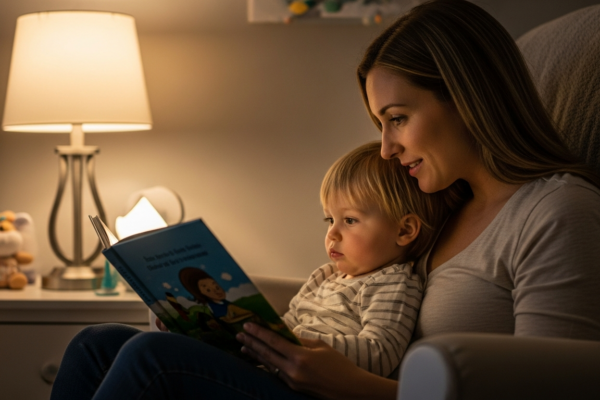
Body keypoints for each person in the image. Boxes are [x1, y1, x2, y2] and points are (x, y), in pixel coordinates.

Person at [50, 1, 600, 399]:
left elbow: (555, 384)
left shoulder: (555, 212)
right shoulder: (442, 207)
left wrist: (356, 386)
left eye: (398, 119)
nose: (386, 149)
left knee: (153, 362)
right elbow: (361, 291)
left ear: (466, 99)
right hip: (332, 383)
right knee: (96, 342)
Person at [281, 141, 459, 378]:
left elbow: (380, 354)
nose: (332, 233)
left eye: (350, 220)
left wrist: (303, 344)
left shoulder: (393, 284)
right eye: (330, 220)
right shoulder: (323, 276)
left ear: (404, 231)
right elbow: (287, 323)